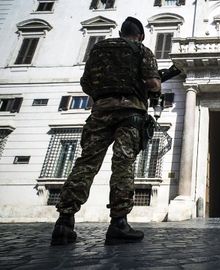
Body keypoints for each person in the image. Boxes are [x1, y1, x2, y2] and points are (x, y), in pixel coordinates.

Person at [51, 16, 161, 246]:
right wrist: (153, 86)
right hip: (130, 114)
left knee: (86, 163)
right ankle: (119, 223)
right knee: (123, 163)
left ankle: (64, 221)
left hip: (100, 112)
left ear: (121, 31)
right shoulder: (142, 50)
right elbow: (153, 85)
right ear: (139, 35)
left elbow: (86, 83)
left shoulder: (98, 48)